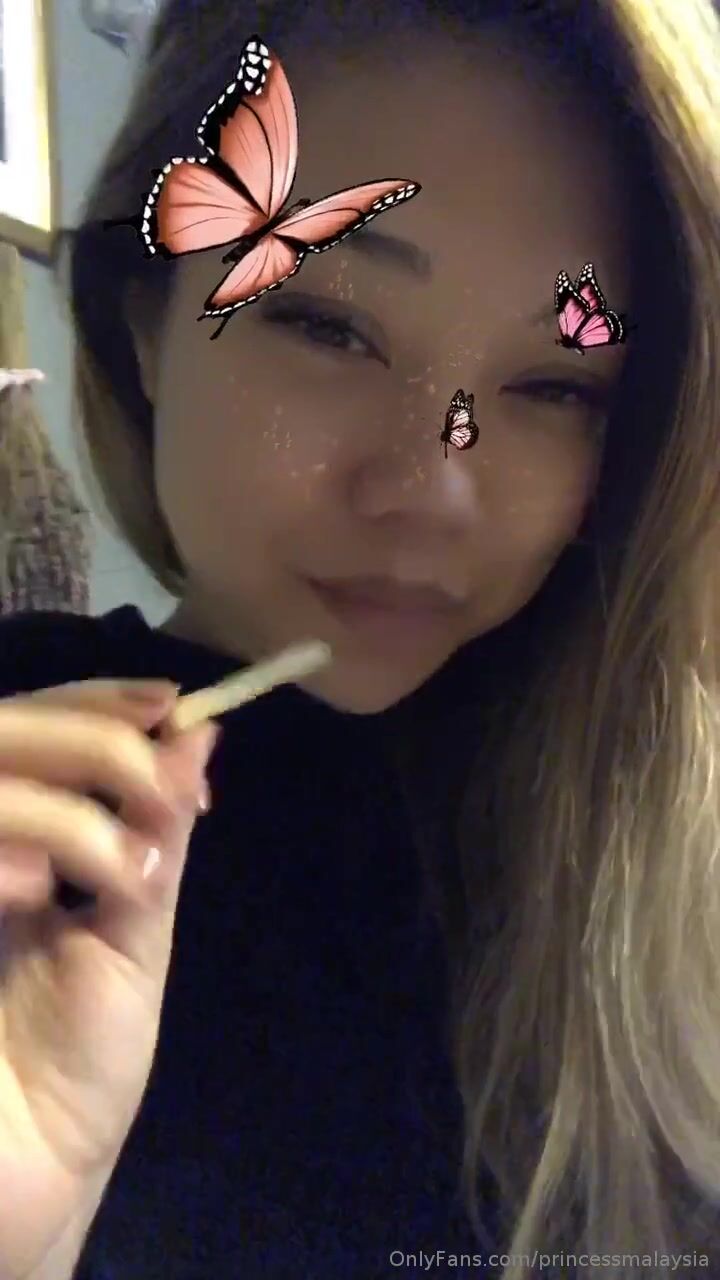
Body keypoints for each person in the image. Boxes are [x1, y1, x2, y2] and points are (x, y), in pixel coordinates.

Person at [1, 0, 719, 1277]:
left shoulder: (659, 845)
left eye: (555, 385)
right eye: (329, 324)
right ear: (143, 320)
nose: (433, 489)